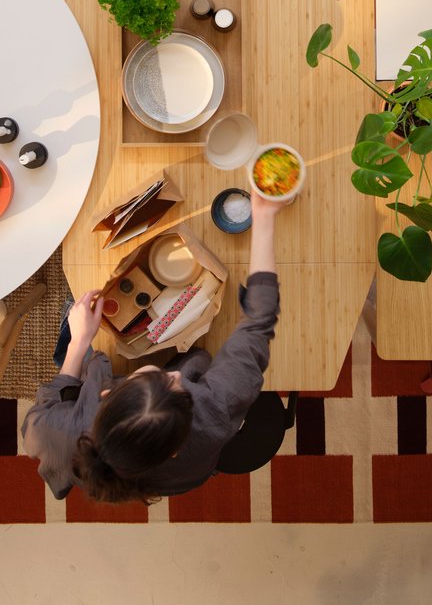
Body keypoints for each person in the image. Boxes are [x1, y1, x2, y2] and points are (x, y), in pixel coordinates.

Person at [21, 195, 284, 504]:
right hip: (187, 471)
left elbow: (43, 409)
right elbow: (259, 322)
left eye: (158, 376)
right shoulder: (216, 414)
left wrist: (79, 343)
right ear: (175, 449)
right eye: (180, 387)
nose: (175, 375)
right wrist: (264, 219)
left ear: (105, 394)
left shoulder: (57, 432)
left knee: (75, 310)